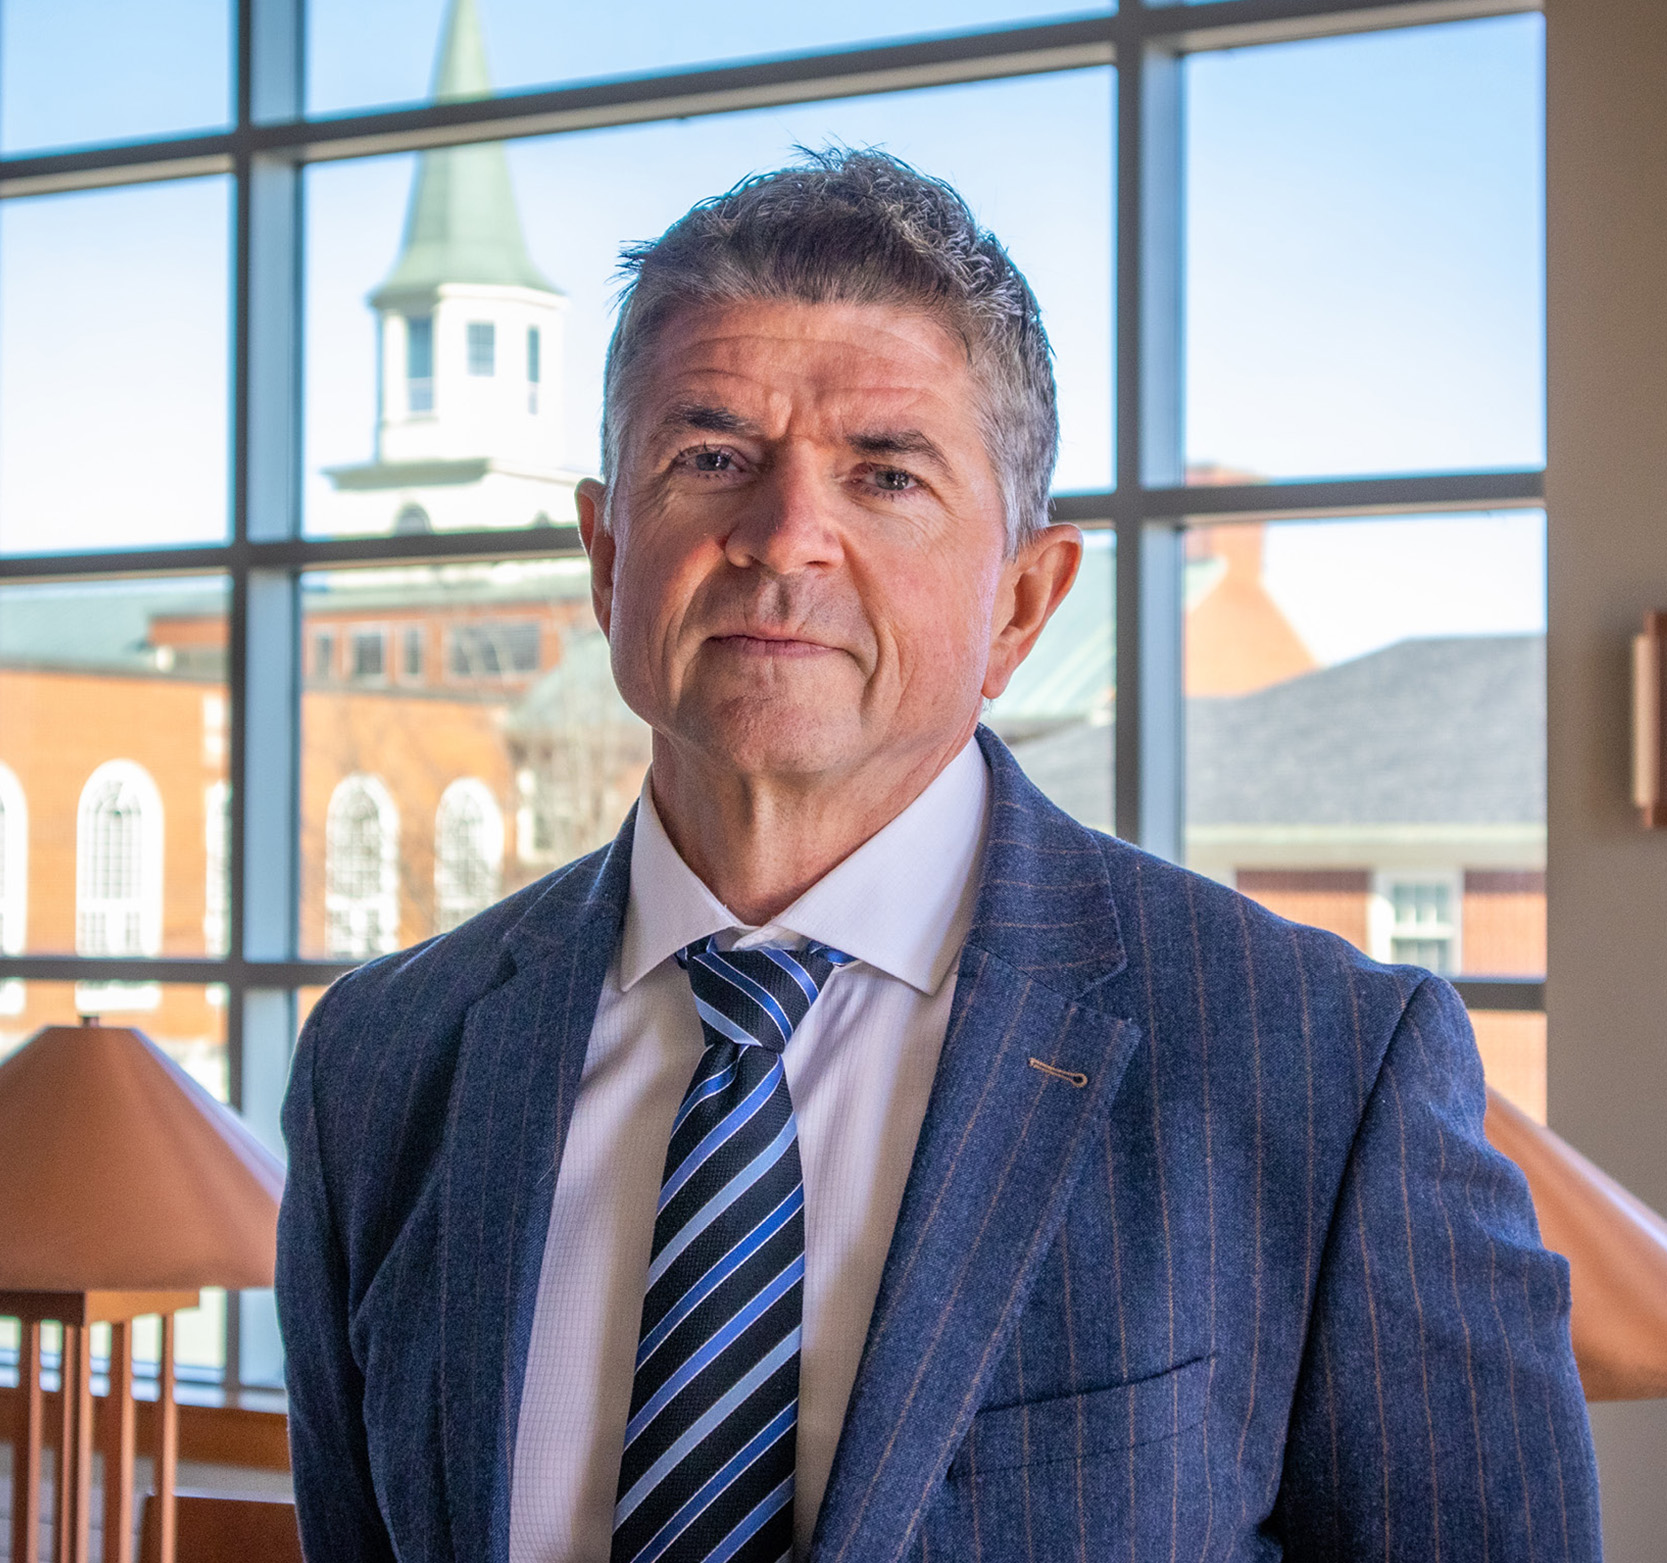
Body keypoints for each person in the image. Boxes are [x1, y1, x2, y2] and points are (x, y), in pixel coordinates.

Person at [277, 149, 1599, 1563]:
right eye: (712, 458)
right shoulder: (382, 1067)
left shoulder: (1325, 1075)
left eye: (886, 475)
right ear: (608, 556)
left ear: (1024, 602)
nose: (784, 538)